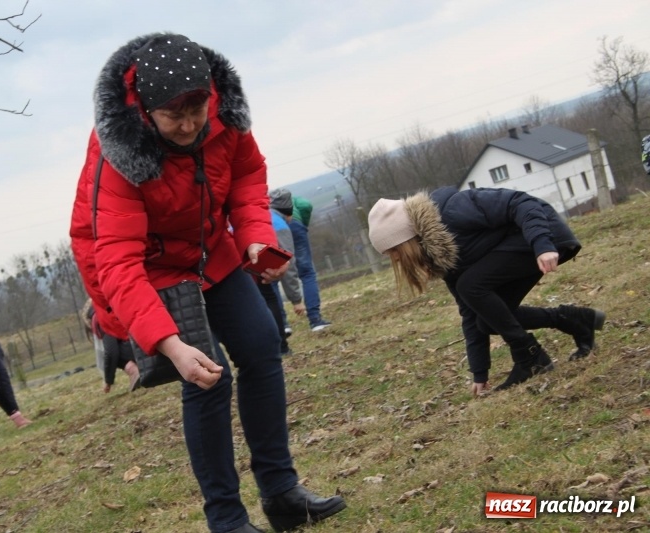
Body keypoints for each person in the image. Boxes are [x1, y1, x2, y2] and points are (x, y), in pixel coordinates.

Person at [68, 33, 346, 533]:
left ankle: (281, 493)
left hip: (210, 250)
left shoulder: (225, 117)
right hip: (150, 270)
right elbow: (116, 261)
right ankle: (227, 519)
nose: (188, 125)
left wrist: (257, 242)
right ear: (146, 109)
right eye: (173, 116)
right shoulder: (118, 152)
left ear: (210, 95)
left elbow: (246, 179)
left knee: (262, 344)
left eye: (196, 110)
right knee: (208, 377)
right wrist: (168, 343)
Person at [367, 186, 606, 396]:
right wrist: (479, 373)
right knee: (486, 320)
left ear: (405, 238)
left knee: (470, 285)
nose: (395, 259)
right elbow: (469, 312)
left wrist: (542, 244)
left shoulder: (453, 210)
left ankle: (530, 357)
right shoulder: (439, 254)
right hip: (523, 248)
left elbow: (521, 203)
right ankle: (576, 320)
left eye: (393, 251)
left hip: (541, 238)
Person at [263, 189, 306, 355]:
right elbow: (287, 263)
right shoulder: (280, 226)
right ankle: (281, 347)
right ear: (289, 213)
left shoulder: (264, 215)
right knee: (269, 297)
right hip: (257, 274)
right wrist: (296, 299)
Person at [289, 195, 331, 332]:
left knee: (271, 279)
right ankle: (315, 320)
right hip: (295, 225)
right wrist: (303, 224)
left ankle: (282, 326)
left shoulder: (260, 202)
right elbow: (305, 205)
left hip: (270, 228)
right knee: (307, 273)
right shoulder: (290, 198)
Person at [81, 299, 140, 393]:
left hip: (136, 346)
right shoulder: (114, 306)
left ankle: (133, 370)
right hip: (141, 339)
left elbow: (111, 352)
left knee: (110, 353)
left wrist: (108, 380)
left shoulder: (100, 318)